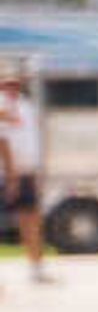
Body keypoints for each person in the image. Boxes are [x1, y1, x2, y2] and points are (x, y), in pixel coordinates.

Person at [0, 67, 39, 282]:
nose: (11, 87)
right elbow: (2, 142)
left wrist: (34, 171)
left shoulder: (26, 106)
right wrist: (11, 176)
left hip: (26, 170)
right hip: (7, 174)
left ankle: (35, 266)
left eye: (14, 83)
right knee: (23, 219)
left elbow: (31, 141)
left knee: (30, 219)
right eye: (6, 83)